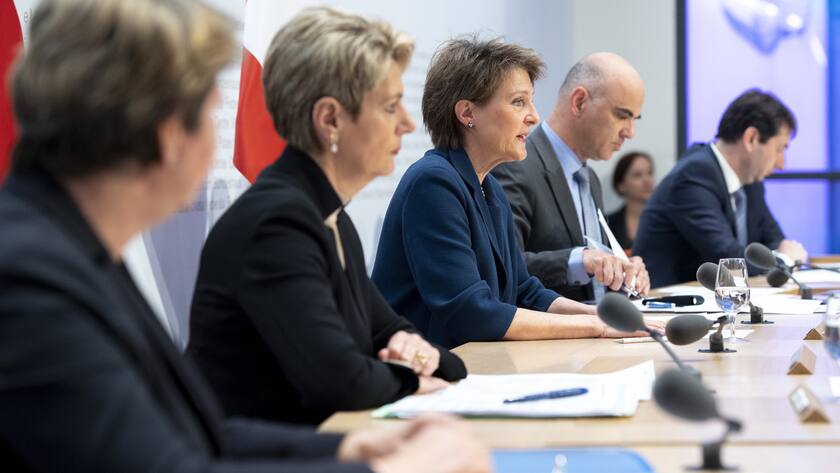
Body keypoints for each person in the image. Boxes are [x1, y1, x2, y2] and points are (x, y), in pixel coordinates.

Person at [0, 1, 490, 472]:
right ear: (168, 133)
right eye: (211, 114)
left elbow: (196, 433)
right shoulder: (30, 277)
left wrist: (349, 449)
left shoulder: (70, 247)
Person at [188, 7, 466, 427]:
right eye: (391, 107)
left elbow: (397, 334)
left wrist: (414, 348)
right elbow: (341, 381)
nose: (408, 124)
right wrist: (413, 375)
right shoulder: (277, 225)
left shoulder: (327, 214)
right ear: (330, 119)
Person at [372, 38, 660, 350]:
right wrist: (596, 327)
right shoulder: (433, 183)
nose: (534, 116)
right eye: (519, 102)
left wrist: (604, 317)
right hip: (425, 377)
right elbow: (472, 313)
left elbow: (526, 291)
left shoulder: (487, 186)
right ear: (468, 112)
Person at [491, 52, 650, 304]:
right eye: (622, 115)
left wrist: (622, 270)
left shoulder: (590, 178)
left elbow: (595, 268)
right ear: (578, 102)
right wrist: (580, 260)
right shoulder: (516, 166)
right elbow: (504, 266)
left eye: (634, 119)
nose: (630, 132)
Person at [634, 89, 807, 288]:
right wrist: (784, 259)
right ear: (751, 138)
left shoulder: (751, 182)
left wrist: (780, 255)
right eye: (780, 149)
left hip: (720, 302)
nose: (781, 164)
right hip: (670, 306)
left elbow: (774, 240)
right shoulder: (693, 176)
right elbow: (728, 260)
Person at [606, 151, 655, 250]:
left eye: (649, 173)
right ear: (621, 185)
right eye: (637, 175)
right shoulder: (607, 224)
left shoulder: (667, 222)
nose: (647, 181)